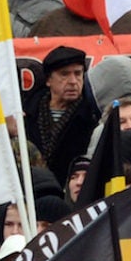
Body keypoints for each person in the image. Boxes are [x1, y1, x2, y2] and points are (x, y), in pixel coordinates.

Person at [22, 46, 101, 184]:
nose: (73, 81)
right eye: (64, 74)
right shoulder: (28, 114)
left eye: (78, 74)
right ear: (48, 80)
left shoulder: (92, 117)